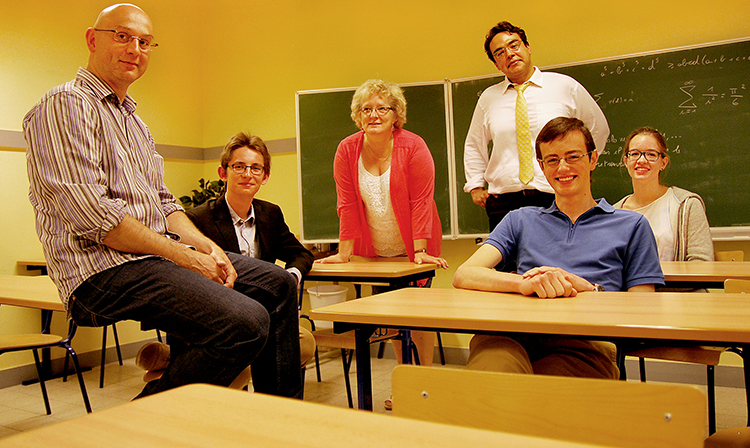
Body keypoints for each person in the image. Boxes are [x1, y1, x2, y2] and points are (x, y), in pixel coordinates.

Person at [23, 3, 302, 399]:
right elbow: (93, 215)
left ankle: (284, 416)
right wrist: (185, 256)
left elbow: (163, 201)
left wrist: (207, 246)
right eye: (121, 36)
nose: (134, 48)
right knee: (245, 321)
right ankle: (137, 423)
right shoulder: (65, 104)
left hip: (148, 259)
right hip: (100, 270)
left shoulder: (134, 122)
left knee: (277, 284)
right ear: (92, 39)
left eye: (144, 42)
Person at [453, 117, 663, 379]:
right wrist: (524, 284)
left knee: (545, 398)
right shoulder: (520, 219)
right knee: (490, 382)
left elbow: (646, 309)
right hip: (512, 335)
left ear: (593, 159)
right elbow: (465, 274)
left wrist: (589, 289)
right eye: (552, 160)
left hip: (585, 345)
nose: (562, 167)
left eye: (573, 156)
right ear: (541, 166)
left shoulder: (631, 225)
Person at [316, 79, 448, 374]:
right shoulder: (347, 150)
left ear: (395, 115)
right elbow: (346, 203)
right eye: (366, 109)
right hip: (375, 251)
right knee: (394, 316)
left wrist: (420, 251)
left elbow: (422, 202)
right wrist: (343, 253)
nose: (373, 115)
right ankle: (404, 376)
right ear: (358, 116)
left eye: (382, 109)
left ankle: (422, 380)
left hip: (416, 247)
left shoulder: (413, 146)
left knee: (419, 314)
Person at [463, 21, 610, 235]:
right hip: (504, 204)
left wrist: (578, 166)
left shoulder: (565, 86)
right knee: (508, 269)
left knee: (557, 266)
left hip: (557, 196)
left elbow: (597, 128)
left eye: (514, 45)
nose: (510, 54)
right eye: (500, 52)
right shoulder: (488, 98)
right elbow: (474, 144)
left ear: (527, 47)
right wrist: (475, 186)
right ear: (496, 63)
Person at [186, 132, 316, 370]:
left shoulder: (270, 215)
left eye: (256, 168)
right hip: (225, 318)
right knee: (239, 362)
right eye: (239, 166)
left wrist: (290, 277)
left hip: (267, 314)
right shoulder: (198, 219)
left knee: (305, 344)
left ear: (265, 176)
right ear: (223, 173)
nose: (247, 174)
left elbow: (301, 254)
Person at [613, 127, 714, 266]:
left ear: (663, 163)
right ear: (626, 161)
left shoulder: (686, 205)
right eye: (635, 154)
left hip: (676, 287)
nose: (641, 160)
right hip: (628, 288)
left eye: (651, 155)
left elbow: (702, 263)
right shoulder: (615, 212)